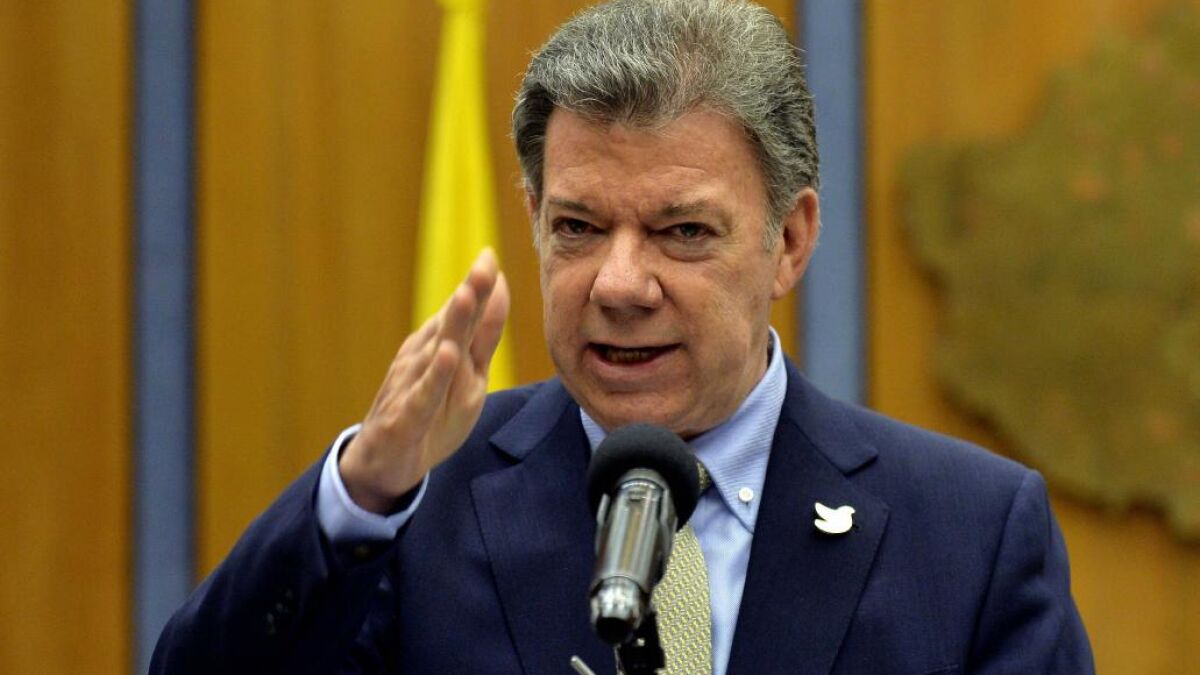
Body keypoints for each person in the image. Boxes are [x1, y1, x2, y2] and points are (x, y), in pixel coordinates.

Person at [152, 0, 1094, 673]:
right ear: (533, 218)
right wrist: (361, 495)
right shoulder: (415, 507)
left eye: (681, 231)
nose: (618, 284)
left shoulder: (968, 533)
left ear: (790, 241)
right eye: (578, 227)